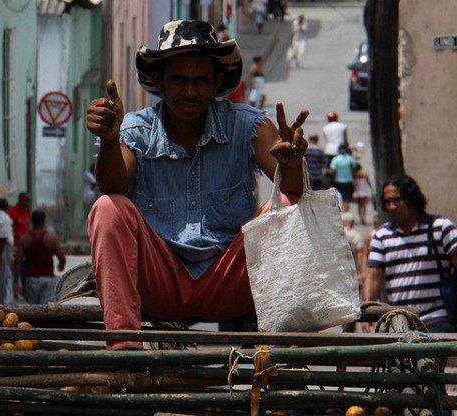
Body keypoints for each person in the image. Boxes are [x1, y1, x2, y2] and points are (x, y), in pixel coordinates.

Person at [86, 20, 308, 350]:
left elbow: (294, 191)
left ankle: (291, 353)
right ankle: (123, 350)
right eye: (178, 80)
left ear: (217, 82)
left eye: (200, 81)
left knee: (288, 209)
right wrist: (109, 139)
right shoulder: (136, 128)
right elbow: (111, 185)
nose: (190, 92)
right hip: (161, 284)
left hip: (228, 284)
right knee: (107, 208)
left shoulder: (248, 124)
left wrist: (293, 165)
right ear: (158, 81)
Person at [364, 174, 457, 332]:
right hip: (399, 322)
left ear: (412, 198)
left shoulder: (440, 228)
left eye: (397, 199)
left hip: (436, 318)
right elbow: (373, 277)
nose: (392, 206)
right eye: (387, 202)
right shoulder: (382, 235)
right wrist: (366, 315)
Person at [14, 209, 66, 304]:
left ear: (31, 221)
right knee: (47, 308)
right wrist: (61, 266)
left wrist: (16, 281)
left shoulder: (24, 239)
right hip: (47, 278)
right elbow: (62, 258)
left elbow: (18, 261)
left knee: (33, 307)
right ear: (43, 221)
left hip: (31, 279)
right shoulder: (52, 238)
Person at [8, 192, 32, 298]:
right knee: (18, 266)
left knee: (24, 268)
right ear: (21, 200)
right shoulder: (14, 211)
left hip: (25, 245)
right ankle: (16, 289)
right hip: (16, 245)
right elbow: (8, 225)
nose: (29, 203)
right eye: (27, 200)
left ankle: (24, 290)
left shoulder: (26, 211)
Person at [328, 144, 358, 210]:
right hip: (348, 181)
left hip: (338, 181)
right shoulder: (350, 158)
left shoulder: (335, 159)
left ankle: (341, 213)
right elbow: (354, 168)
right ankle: (346, 215)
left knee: (338, 199)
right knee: (346, 200)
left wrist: (326, 170)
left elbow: (333, 171)